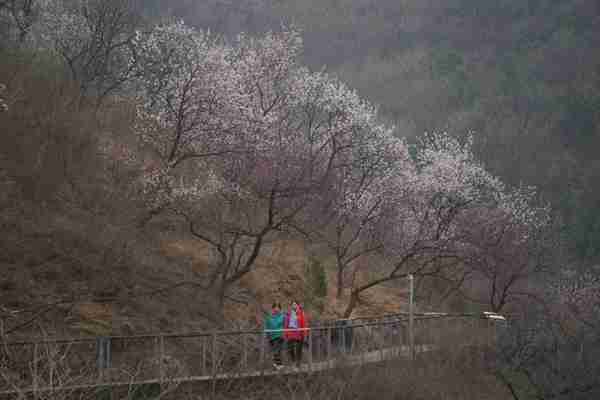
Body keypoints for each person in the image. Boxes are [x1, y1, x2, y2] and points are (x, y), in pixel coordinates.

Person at [284, 300, 308, 366]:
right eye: (293, 305)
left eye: (295, 304)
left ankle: (298, 362)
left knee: (299, 349)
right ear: (291, 306)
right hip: (290, 333)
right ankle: (293, 360)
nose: (294, 306)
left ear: (298, 305)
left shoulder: (301, 313)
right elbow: (286, 324)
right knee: (290, 348)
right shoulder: (288, 314)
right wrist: (285, 334)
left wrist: (305, 334)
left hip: (299, 334)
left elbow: (304, 324)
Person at [264, 302, 284, 369]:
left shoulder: (282, 316)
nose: (276, 309)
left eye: (278, 307)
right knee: (276, 350)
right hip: (271, 336)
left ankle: (277, 364)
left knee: (276, 350)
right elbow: (267, 325)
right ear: (272, 308)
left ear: (280, 309)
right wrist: (267, 334)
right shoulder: (269, 317)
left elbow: (281, 324)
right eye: (275, 307)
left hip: (279, 335)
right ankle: (279, 365)